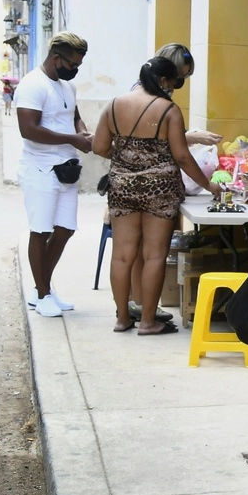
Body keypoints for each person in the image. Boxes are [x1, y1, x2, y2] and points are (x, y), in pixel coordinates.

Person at [92, 57, 224, 334]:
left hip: (122, 187)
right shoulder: (169, 110)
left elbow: (99, 146)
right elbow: (182, 157)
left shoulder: (114, 104)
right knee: (154, 255)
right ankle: (149, 322)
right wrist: (209, 185)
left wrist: (127, 159)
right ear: (163, 81)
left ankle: (122, 318)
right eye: (174, 82)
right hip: (160, 190)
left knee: (122, 256)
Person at [124, 42, 223, 325]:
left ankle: (137, 307)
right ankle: (143, 309)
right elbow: (166, 144)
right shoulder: (147, 97)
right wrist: (190, 139)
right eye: (180, 77)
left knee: (139, 249)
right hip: (149, 184)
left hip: (138, 182)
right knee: (148, 250)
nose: (180, 84)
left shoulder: (149, 94)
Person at [16, 32, 93, 317]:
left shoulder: (66, 87)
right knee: (41, 231)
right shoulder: (32, 85)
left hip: (66, 168)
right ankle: (42, 293)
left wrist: (82, 132)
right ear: (56, 57)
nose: (75, 70)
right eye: (72, 64)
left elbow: (74, 117)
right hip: (39, 168)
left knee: (65, 229)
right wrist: (72, 140)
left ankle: (44, 287)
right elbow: (29, 130)